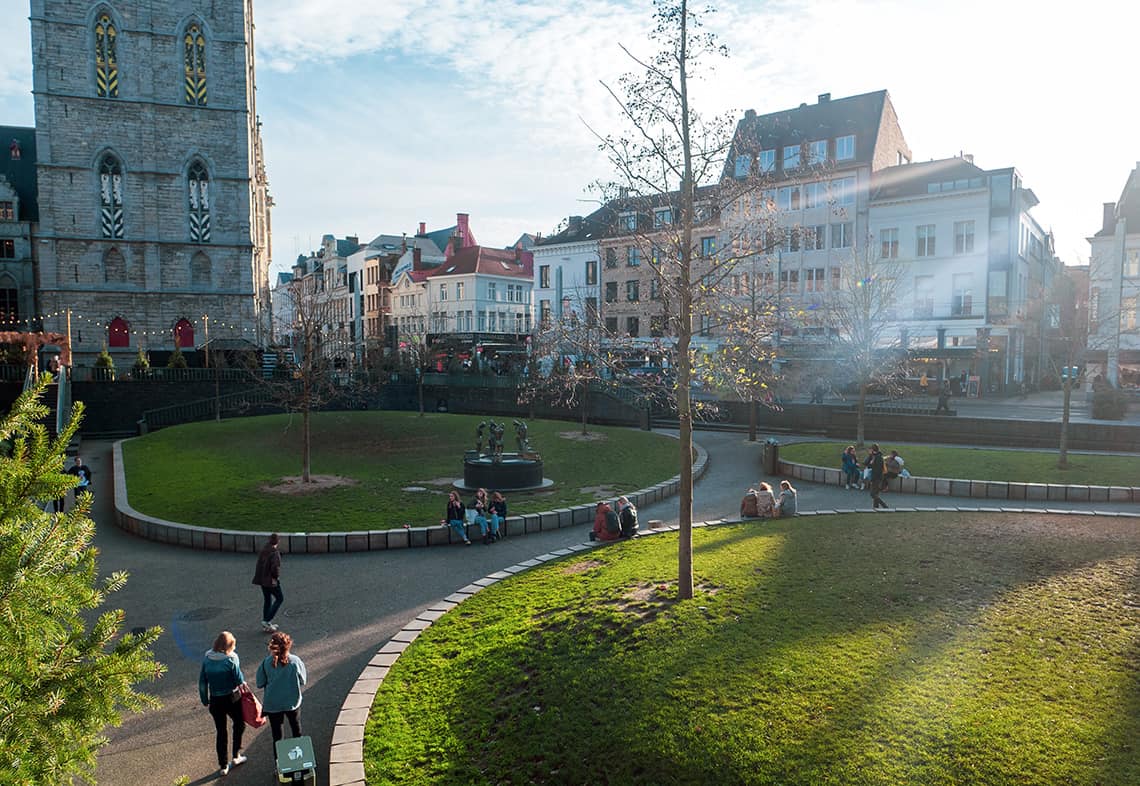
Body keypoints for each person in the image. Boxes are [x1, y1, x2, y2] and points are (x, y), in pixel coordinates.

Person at [198, 631, 248, 777]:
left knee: (221, 731)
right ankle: (236, 755)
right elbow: (239, 679)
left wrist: (204, 699)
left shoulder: (207, 659)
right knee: (239, 724)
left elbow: (202, 681)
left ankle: (223, 765)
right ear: (229, 646)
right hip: (232, 698)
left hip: (215, 699)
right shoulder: (231, 660)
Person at [256, 631, 307, 761]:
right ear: (288, 645)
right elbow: (303, 681)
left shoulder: (266, 663)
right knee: (296, 730)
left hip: (273, 705)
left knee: (277, 736)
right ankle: (300, 762)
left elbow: (259, 683)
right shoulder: (295, 661)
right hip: (292, 702)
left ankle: (280, 765)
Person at [252, 534, 284, 632]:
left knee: (267, 600)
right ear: (278, 542)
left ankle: (266, 623)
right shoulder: (275, 553)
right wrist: (276, 578)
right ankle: (267, 620)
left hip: (262, 580)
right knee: (280, 598)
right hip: (270, 581)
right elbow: (275, 568)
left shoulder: (264, 550)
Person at [865, 443, 888, 509]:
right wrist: (870, 456)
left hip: (877, 477)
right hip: (878, 477)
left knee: (872, 494)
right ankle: (876, 507)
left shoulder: (878, 457)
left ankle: (884, 505)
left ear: (872, 449)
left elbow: (877, 470)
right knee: (876, 493)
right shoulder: (875, 456)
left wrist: (872, 479)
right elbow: (866, 464)